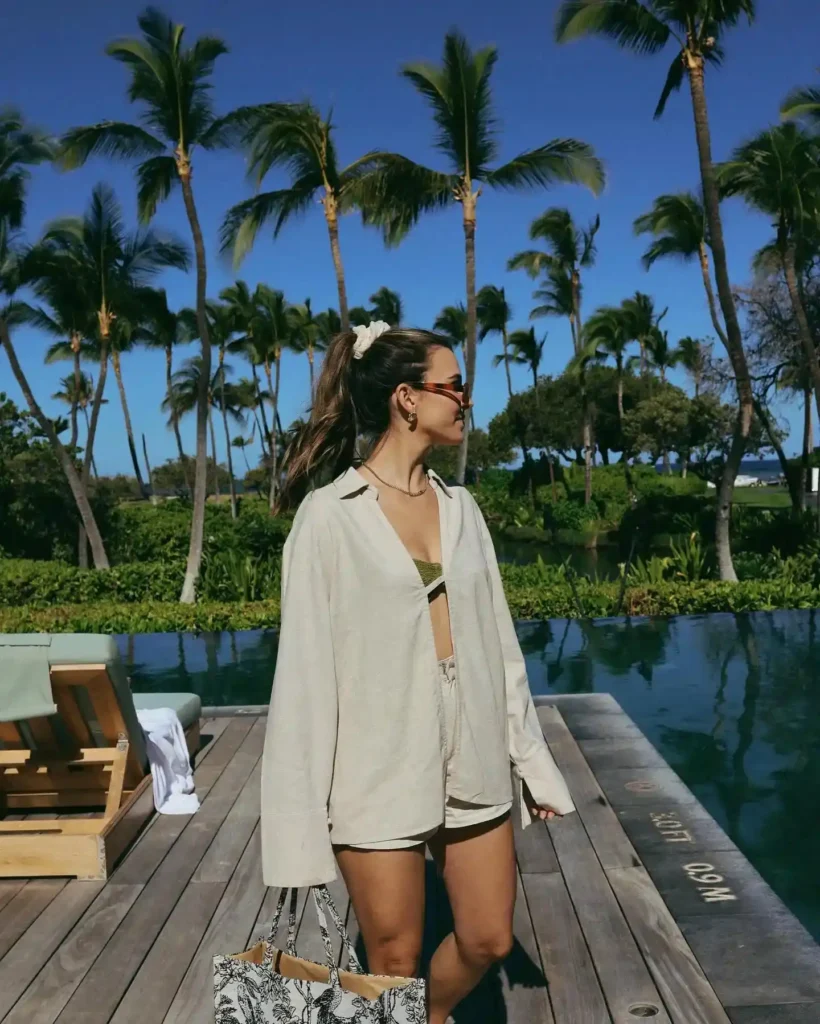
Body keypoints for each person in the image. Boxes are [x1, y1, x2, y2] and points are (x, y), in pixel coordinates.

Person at [261, 322, 575, 1024]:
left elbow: (500, 650)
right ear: (406, 399)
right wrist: (297, 827)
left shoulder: (463, 510)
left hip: (474, 752)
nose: (466, 399)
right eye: (453, 385)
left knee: (489, 935)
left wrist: (530, 759)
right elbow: (304, 681)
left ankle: (425, 1017)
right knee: (393, 960)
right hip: (375, 764)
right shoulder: (328, 518)